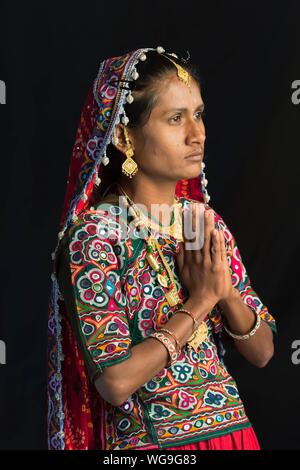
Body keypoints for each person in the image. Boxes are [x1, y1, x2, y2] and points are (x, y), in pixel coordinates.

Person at [47, 46, 277, 451]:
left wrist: (223, 290)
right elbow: (115, 382)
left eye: (199, 114)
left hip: (234, 435)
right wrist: (202, 300)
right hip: (156, 447)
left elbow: (262, 353)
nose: (197, 134)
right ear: (124, 135)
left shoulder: (199, 223)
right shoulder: (97, 237)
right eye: (175, 119)